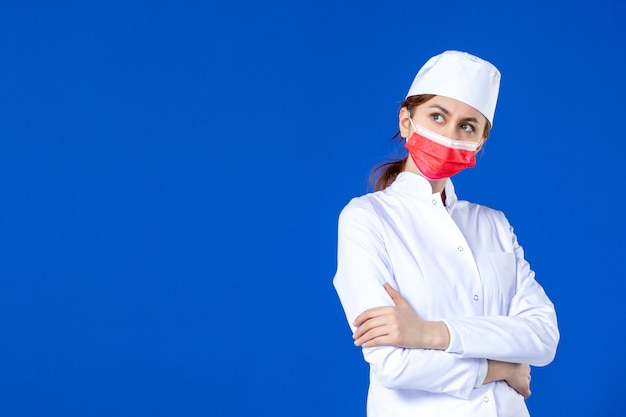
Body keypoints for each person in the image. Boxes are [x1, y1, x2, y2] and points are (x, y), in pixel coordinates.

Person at [333, 50, 559, 417]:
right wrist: (502, 368)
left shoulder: (493, 224)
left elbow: (543, 337)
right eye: (437, 117)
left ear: (480, 142)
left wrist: (430, 334)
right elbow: (394, 365)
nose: (450, 135)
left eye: (467, 126)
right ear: (406, 120)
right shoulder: (366, 217)